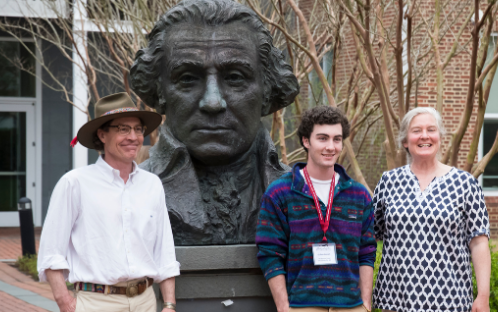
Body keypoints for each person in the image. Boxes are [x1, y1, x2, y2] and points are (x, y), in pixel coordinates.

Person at [130, 0, 299, 245]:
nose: (212, 102)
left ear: (267, 91)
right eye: (187, 78)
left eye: (234, 77)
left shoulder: (300, 195)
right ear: (159, 93)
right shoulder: (131, 193)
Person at [38, 93, 180, 312]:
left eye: (138, 129)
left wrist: (169, 304)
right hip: (97, 303)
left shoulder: (152, 184)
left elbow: (164, 251)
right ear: (102, 135)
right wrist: (65, 302)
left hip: (146, 302)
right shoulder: (74, 184)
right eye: (123, 129)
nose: (133, 137)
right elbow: (51, 254)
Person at [256, 106, 377, 312]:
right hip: (301, 306)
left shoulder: (359, 196)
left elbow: (366, 252)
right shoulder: (280, 193)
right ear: (306, 140)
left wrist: (366, 304)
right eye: (322, 138)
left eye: (337, 139)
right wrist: (284, 307)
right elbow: (269, 252)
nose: (331, 146)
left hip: (351, 306)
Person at [371, 107, 491, 312]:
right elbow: (369, 238)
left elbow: (479, 243)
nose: (424, 136)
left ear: (440, 137)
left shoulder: (465, 183)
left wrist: (483, 296)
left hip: (450, 301)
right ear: (405, 141)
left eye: (431, 130)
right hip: (395, 301)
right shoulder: (388, 181)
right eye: (416, 130)